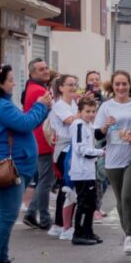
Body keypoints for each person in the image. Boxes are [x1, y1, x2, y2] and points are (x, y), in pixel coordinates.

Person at [0, 65, 52, 263]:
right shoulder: (2, 106)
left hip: (18, 168)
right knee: (6, 216)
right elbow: (25, 123)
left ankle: (3, 259)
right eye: (10, 79)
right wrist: (41, 106)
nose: (13, 83)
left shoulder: (5, 104)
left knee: (7, 216)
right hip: (11, 169)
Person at [95, 70, 131, 255]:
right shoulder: (106, 107)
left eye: (124, 84)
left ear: (129, 85)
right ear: (113, 86)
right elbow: (97, 134)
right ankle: (127, 233)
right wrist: (105, 126)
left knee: (127, 196)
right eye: (117, 84)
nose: (121, 87)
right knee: (119, 201)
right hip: (114, 159)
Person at [22, 57, 54, 230]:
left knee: (44, 179)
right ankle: (44, 218)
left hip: (38, 139)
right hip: (43, 140)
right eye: (41, 69)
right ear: (33, 73)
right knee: (46, 180)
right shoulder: (38, 91)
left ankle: (31, 213)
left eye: (46, 67)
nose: (46, 71)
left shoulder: (34, 88)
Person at [69, 95, 105, 245]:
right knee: (83, 203)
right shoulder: (78, 125)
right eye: (87, 111)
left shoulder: (88, 126)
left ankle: (88, 231)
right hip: (81, 172)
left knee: (91, 203)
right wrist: (100, 152)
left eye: (93, 111)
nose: (91, 114)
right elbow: (80, 149)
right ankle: (79, 233)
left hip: (89, 171)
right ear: (80, 111)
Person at [48, 74, 80, 239]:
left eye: (75, 84)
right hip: (64, 150)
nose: (73, 87)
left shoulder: (74, 103)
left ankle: (60, 224)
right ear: (61, 88)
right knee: (68, 187)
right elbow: (70, 121)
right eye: (70, 85)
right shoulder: (59, 105)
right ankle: (62, 226)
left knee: (67, 187)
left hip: (73, 148)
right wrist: (86, 113)